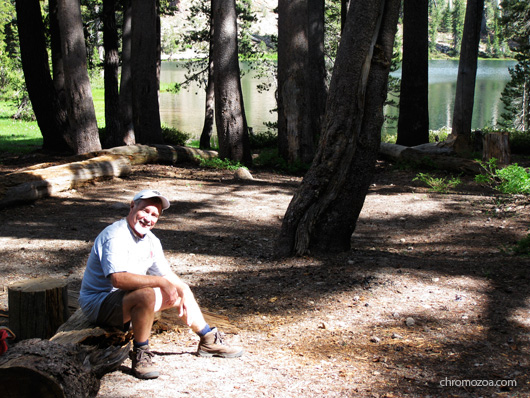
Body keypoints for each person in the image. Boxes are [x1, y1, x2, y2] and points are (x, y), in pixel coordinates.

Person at [79, 189, 243, 379]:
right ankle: (141, 354)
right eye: (145, 211)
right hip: (98, 305)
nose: (148, 218)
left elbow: (166, 274)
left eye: (154, 215)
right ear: (132, 206)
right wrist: (161, 282)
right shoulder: (115, 235)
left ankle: (207, 338)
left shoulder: (151, 240)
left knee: (179, 288)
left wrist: (182, 289)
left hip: (124, 301)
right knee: (147, 294)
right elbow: (118, 279)